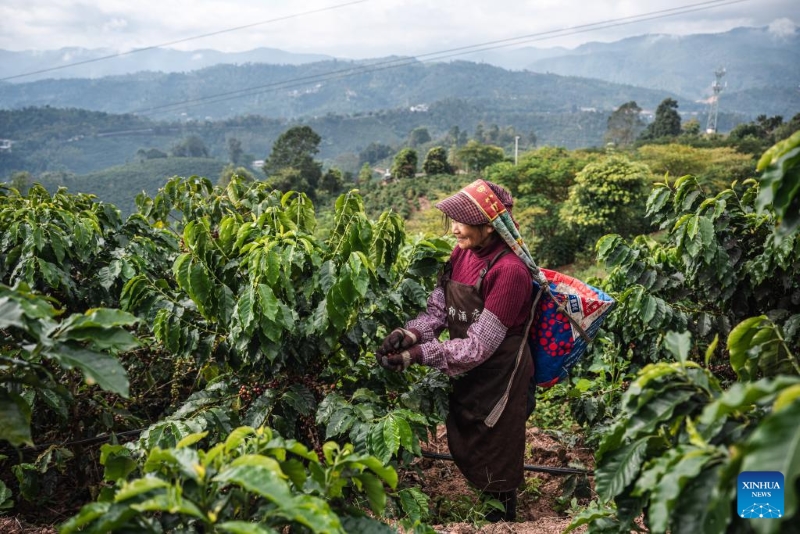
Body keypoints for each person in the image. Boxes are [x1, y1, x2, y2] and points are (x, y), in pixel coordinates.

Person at [377, 179, 535, 523]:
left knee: (498, 448)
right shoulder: (461, 253)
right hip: (467, 365)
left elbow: (480, 345)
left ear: (489, 226)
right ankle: (491, 510)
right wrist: (409, 334)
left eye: (461, 222)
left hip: (499, 371)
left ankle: (502, 522)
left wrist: (418, 355)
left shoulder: (510, 271)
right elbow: (438, 310)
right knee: (472, 438)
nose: (454, 230)